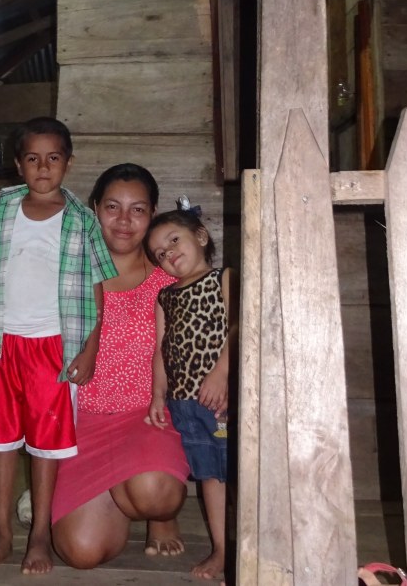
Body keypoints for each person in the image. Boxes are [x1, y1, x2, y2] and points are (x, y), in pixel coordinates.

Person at [0, 117, 117, 575]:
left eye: (53, 158)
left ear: (68, 163)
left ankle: (40, 533)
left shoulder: (83, 222)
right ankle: (2, 533)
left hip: (56, 349)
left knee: (46, 446)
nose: (43, 168)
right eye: (32, 159)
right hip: (3, 347)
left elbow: (97, 288)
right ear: (17, 165)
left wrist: (89, 348)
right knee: (0, 442)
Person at [52, 163, 190, 568]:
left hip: (148, 418)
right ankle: (117, 489)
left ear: (153, 212)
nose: (124, 221)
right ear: (94, 208)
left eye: (138, 209)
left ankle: (160, 517)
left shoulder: (169, 279)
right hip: (80, 423)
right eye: (112, 206)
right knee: (81, 552)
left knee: (156, 495)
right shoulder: (68, 272)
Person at [145, 208, 238, 581]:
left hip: (225, 398)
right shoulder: (165, 296)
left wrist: (222, 373)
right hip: (184, 404)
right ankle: (221, 548)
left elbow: (238, 325)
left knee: (239, 471)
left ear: (200, 237)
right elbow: (160, 350)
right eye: (159, 254)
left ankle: (253, 542)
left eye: (173, 241)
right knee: (210, 477)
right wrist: (157, 395)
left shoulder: (224, 278)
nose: (168, 253)